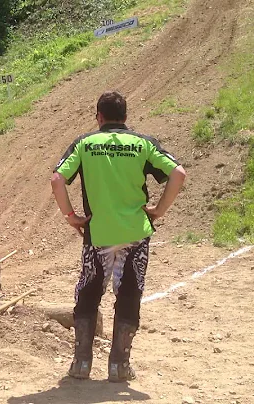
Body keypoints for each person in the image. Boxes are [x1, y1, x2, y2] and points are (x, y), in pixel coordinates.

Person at [51, 91, 186, 382]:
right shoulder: (142, 143)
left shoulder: (85, 143)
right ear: (125, 117)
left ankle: (82, 364)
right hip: (136, 233)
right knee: (129, 293)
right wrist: (159, 210)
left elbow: (57, 179)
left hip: (97, 233)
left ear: (99, 117)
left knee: (88, 293)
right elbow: (178, 173)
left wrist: (70, 215)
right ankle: (118, 366)